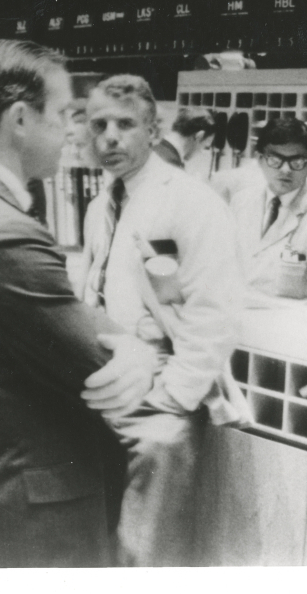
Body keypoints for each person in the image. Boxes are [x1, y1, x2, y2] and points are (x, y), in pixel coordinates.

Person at [0, 40, 159, 568]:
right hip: (33, 525)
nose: (72, 130)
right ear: (20, 118)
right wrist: (136, 350)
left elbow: (54, 312)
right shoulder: (0, 233)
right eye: (64, 113)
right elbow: (99, 359)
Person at [80, 75, 244, 565]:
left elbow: (215, 310)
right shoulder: (99, 205)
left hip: (159, 394)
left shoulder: (190, 203)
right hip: (104, 385)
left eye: (125, 124)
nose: (110, 136)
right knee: (103, 546)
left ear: (153, 131)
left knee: (149, 553)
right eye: (99, 124)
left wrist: (172, 396)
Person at [228, 117, 307, 303]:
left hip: (288, 324)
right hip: (236, 315)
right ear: (260, 159)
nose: (286, 170)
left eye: (296, 161)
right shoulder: (241, 201)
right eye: (275, 159)